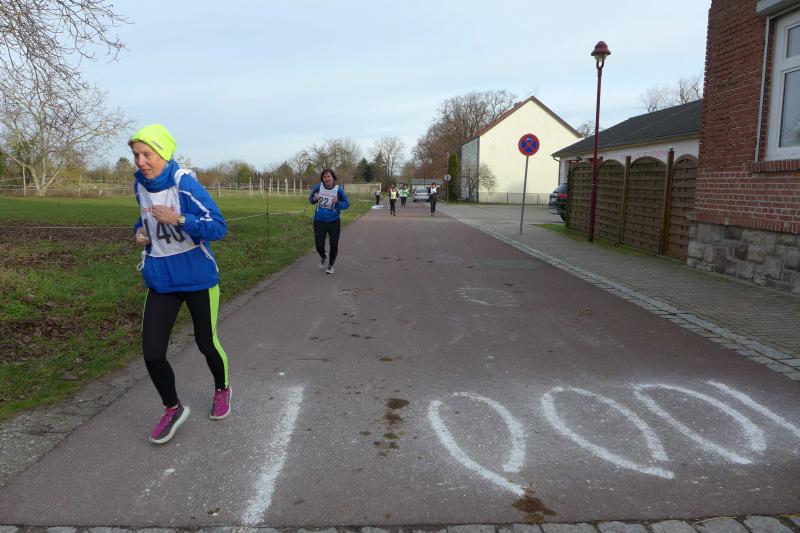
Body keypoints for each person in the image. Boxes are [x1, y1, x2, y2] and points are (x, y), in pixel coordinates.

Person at [130, 124, 231, 445]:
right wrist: (139, 232)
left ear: (163, 153)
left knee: (206, 342)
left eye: (147, 154)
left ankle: (222, 388)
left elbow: (218, 227)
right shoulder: (139, 185)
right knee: (152, 353)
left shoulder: (184, 184)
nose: (141, 161)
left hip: (197, 277)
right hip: (161, 280)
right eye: (136, 155)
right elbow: (144, 219)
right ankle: (172, 408)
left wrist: (180, 219)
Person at [309, 168, 350, 274]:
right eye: (324, 177)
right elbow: (310, 200)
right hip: (319, 220)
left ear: (333, 177)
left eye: (328, 176)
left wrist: (337, 202)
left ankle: (330, 265)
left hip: (334, 221)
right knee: (319, 245)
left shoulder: (339, 189)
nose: (326, 179)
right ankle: (323, 256)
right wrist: (314, 199)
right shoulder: (318, 187)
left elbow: (347, 204)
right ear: (322, 178)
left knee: (334, 244)